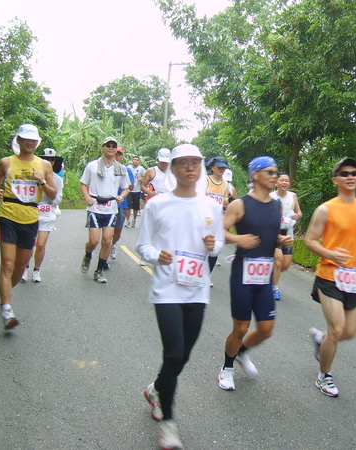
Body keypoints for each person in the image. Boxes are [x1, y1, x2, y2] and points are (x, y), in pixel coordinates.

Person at [137, 143, 224, 450]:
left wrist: (213, 244)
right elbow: (142, 245)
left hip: (197, 289)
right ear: (172, 169)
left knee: (183, 356)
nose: (189, 167)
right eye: (182, 163)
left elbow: (219, 246)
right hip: (166, 288)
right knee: (174, 354)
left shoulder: (212, 207)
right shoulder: (157, 204)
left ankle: (155, 389)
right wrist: (155, 255)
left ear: (200, 167)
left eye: (194, 162)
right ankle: (169, 424)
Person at [305, 157, 356, 397]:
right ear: (335, 180)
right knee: (338, 328)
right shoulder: (326, 209)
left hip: (353, 277)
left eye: (354, 173)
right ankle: (324, 376)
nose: (350, 176)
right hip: (329, 275)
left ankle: (321, 340)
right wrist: (330, 253)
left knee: (349, 332)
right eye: (344, 173)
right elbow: (310, 241)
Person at [218, 156, 292, 391]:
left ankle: (241, 353)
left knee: (266, 329)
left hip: (264, 275)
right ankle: (227, 367)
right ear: (256, 175)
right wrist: (238, 238)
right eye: (269, 172)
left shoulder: (276, 205)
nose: (275, 176)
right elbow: (219, 231)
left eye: (276, 172)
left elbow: (270, 233)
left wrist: (280, 239)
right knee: (240, 328)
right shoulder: (240, 204)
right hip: (242, 273)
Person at [0, 124, 57, 328]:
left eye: (33, 139)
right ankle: (7, 309)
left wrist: (42, 182)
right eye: (25, 138)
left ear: (37, 142)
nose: (29, 142)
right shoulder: (6, 162)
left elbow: (53, 195)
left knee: (20, 266)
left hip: (30, 218)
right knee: (8, 264)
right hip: (8, 215)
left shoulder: (44, 165)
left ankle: (5, 293)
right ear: (18, 140)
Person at [79, 137, 130, 283]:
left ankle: (99, 271)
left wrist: (122, 196)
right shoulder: (92, 166)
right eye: (108, 145)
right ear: (102, 147)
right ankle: (88, 254)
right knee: (94, 241)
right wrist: (87, 196)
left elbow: (126, 188)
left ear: (116, 149)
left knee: (107, 241)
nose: (111, 148)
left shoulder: (121, 169)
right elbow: (83, 184)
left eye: (114, 146)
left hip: (111, 208)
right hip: (95, 206)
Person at [26, 148, 64, 283]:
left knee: (41, 244)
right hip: (31, 212)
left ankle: (36, 270)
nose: (49, 162)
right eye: (45, 159)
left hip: (47, 212)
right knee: (29, 243)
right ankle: (25, 267)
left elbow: (58, 199)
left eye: (51, 159)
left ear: (54, 162)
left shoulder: (57, 179)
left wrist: (44, 184)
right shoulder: (32, 175)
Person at [270, 172, 302, 301]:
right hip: (274, 233)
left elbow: (299, 212)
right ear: (276, 182)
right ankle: (274, 288)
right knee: (278, 261)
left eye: (286, 181)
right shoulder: (271, 196)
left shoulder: (293, 196)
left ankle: (270, 276)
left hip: (288, 234)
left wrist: (297, 216)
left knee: (285, 265)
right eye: (281, 180)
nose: (284, 183)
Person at [205, 156, 230, 273]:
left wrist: (230, 202)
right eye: (219, 167)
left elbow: (224, 200)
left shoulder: (225, 184)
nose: (222, 169)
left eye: (224, 167)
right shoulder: (206, 180)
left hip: (218, 220)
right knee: (201, 246)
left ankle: (207, 274)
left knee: (215, 249)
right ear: (212, 167)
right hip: (204, 218)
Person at [110, 147, 134, 260]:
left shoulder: (126, 170)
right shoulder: (106, 168)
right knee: (107, 229)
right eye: (116, 154)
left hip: (121, 203)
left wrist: (123, 184)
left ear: (122, 156)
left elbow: (131, 187)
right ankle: (106, 247)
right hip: (108, 203)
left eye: (119, 154)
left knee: (118, 230)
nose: (117, 156)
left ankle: (113, 244)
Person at [127, 155, 146, 228]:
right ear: (132, 161)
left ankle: (134, 220)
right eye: (134, 160)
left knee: (136, 207)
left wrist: (141, 178)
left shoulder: (141, 169)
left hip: (137, 190)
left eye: (137, 160)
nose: (136, 161)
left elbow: (146, 176)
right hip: (129, 190)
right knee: (128, 206)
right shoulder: (128, 168)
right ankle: (127, 220)